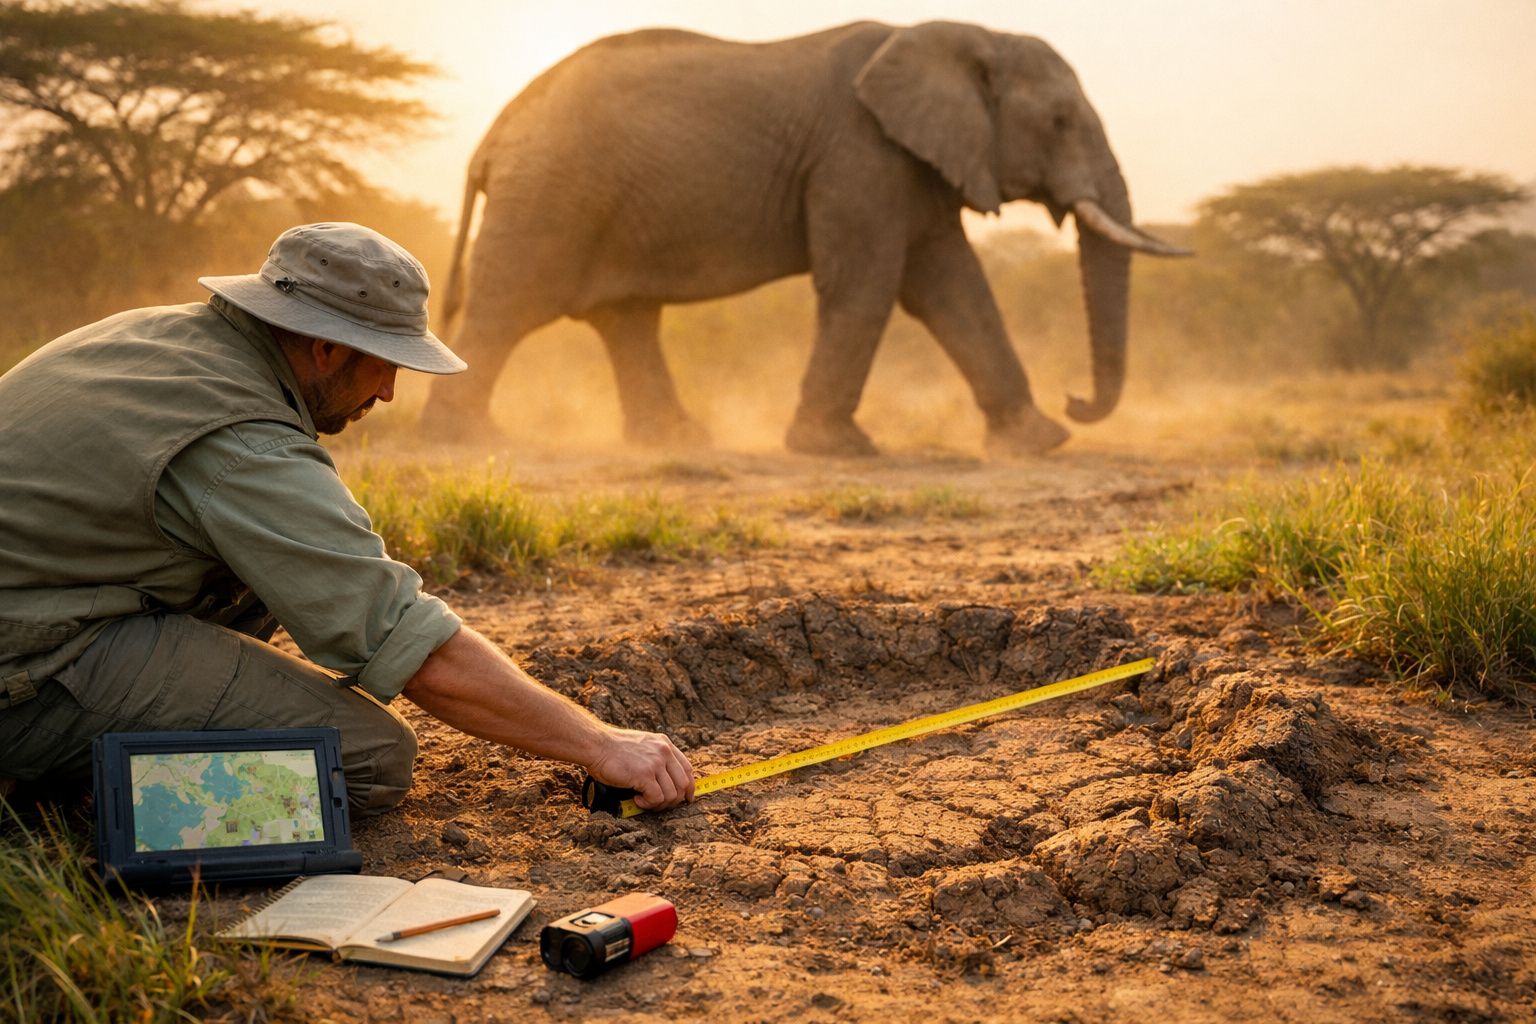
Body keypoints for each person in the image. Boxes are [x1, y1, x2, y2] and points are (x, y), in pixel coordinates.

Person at [0, 222, 695, 814]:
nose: (391, 392)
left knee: (254, 588)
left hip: (49, 604)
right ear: (324, 347)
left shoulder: (159, 337)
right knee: (366, 756)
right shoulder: (241, 441)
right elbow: (411, 648)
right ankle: (83, 806)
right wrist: (603, 744)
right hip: (28, 661)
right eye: (383, 364)